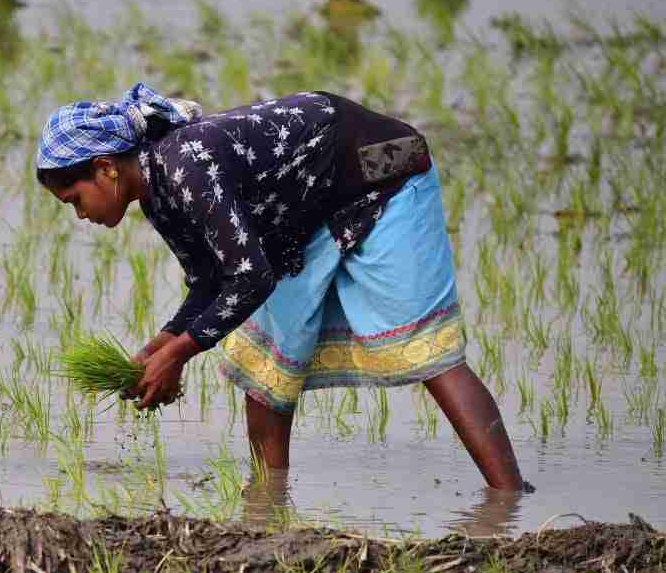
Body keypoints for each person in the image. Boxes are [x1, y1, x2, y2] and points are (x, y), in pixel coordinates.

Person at [35, 83, 526, 491]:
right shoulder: (158, 196)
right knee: (262, 361)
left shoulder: (185, 167)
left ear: (105, 168)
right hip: (309, 208)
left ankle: (509, 499)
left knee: (426, 350)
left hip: (382, 175)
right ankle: (266, 505)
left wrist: (181, 354)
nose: (80, 214)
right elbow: (212, 279)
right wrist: (163, 344)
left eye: (74, 199)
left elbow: (250, 275)